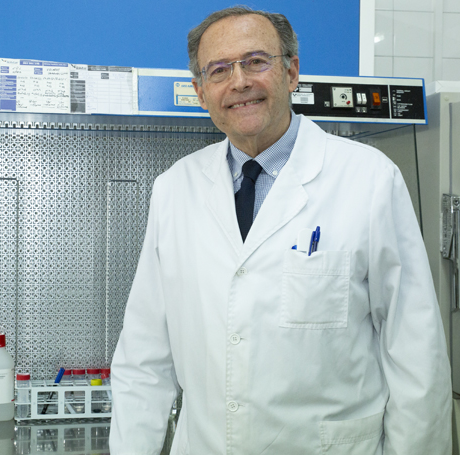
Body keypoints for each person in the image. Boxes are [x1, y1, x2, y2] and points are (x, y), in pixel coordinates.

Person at [109, 5, 452, 455]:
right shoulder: (174, 188)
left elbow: (415, 351)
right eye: (219, 70)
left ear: (291, 73)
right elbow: (144, 357)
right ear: (201, 91)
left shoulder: (370, 179)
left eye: (256, 61)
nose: (239, 82)